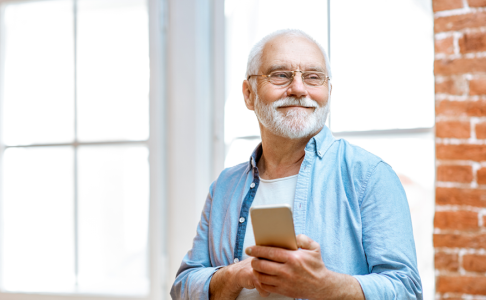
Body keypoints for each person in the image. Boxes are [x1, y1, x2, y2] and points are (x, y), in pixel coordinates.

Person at [170, 29, 422, 300]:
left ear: (328, 91)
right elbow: (183, 286)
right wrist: (234, 275)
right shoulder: (224, 187)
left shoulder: (370, 176)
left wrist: (326, 286)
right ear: (248, 94)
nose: (299, 89)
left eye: (313, 77)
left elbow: (407, 290)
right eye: (280, 75)